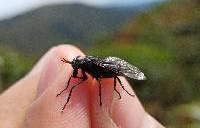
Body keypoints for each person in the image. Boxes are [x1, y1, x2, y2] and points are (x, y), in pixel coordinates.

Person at [0, 45, 164, 128]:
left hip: (107, 70)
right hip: (102, 67)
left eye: (76, 65)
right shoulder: (83, 66)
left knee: (112, 76)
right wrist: (66, 88)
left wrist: (106, 96)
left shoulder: (89, 66)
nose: (75, 67)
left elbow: (104, 76)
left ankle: (119, 91)